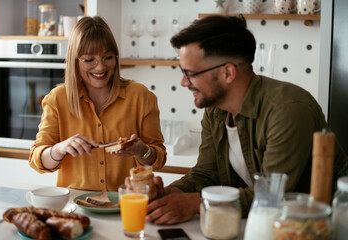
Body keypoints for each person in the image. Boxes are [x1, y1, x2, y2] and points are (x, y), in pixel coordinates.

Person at [146, 15, 348, 225]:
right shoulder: (215, 110)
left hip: (321, 227)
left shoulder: (288, 110)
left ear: (228, 73)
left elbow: (272, 196)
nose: (183, 82)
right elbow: (206, 173)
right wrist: (170, 193)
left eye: (190, 73)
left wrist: (196, 203)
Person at [29, 16, 166, 192]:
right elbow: (37, 160)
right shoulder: (57, 99)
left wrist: (142, 151)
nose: (100, 67)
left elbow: (159, 160)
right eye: (89, 60)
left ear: (116, 58)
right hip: (75, 207)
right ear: (75, 60)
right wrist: (60, 148)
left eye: (107, 57)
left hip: (126, 204)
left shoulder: (141, 96)